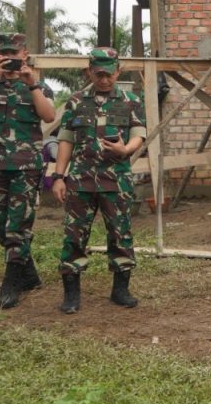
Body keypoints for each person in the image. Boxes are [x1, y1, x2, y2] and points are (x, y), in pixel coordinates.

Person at [50, 48, 146, 314]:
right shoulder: (76, 101)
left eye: (109, 74)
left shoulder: (130, 100)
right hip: (80, 182)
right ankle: (71, 294)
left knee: (121, 234)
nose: (104, 80)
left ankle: (120, 289)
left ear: (118, 71)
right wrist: (59, 176)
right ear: (89, 72)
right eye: (99, 74)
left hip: (116, 182)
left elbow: (139, 134)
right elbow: (66, 140)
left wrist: (125, 150)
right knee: (74, 236)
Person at [0, 33, 56, 309]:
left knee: (18, 225)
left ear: (24, 55)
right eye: (3, 55)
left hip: (26, 165)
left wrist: (33, 84)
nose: (10, 60)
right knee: (1, 224)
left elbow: (50, 116)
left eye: (14, 55)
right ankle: (29, 274)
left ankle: (11, 281)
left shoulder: (37, 85)